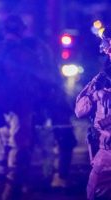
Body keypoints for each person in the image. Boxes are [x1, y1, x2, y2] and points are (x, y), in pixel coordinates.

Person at [0, 14, 52, 200]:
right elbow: (40, 78)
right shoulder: (26, 52)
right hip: (21, 106)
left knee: (2, 147)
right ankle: (9, 193)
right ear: (21, 30)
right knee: (18, 147)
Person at [75, 26, 111, 199]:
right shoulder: (102, 79)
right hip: (106, 154)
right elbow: (80, 110)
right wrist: (96, 96)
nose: (108, 49)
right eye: (107, 44)